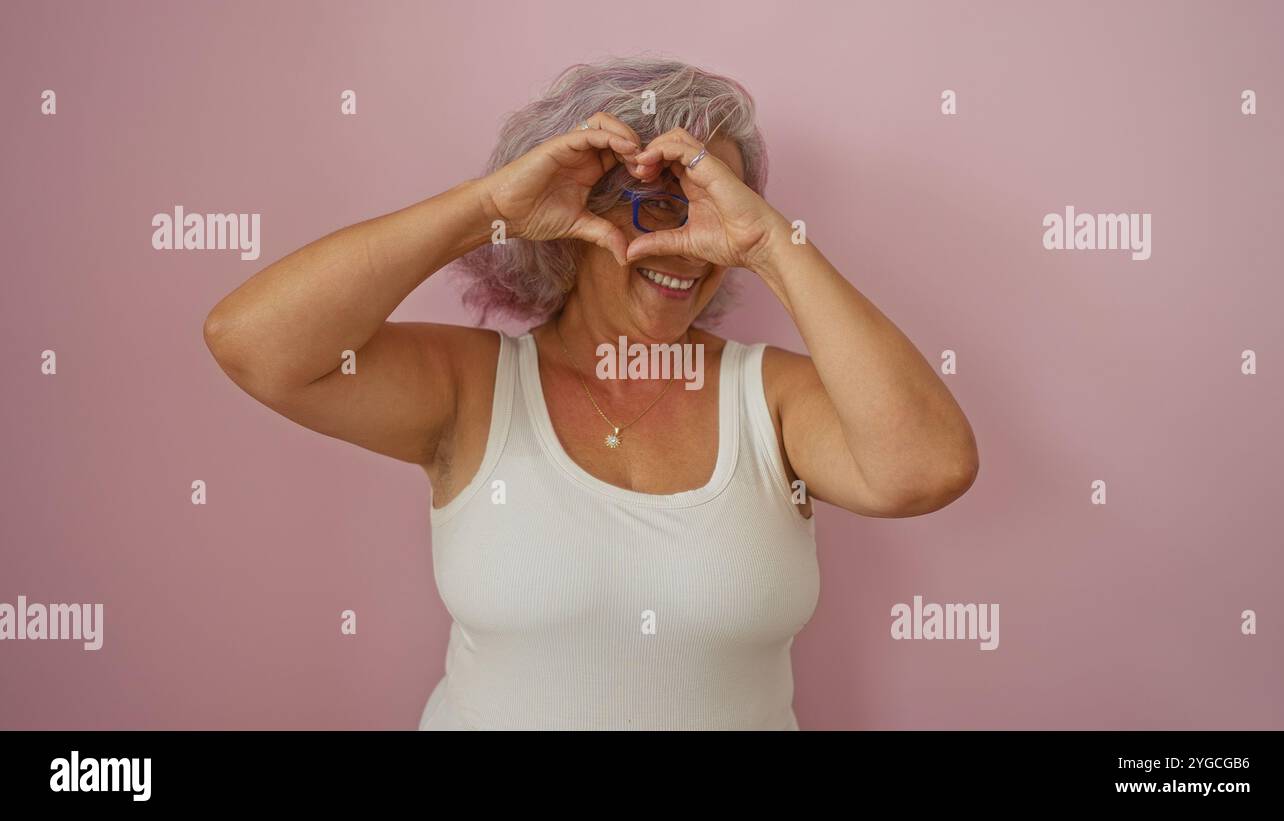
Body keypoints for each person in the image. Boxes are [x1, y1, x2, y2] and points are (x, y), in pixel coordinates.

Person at [202, 57, 979, 730]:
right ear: (571, 216)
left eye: (711, 206)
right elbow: (255, 345)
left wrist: (772, 246)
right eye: (654, 201)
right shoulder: (472, 386)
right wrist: (490, 211)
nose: (683, 243)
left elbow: (927, 468)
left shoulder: (767, 396)